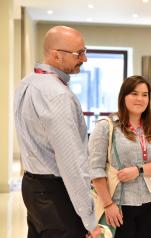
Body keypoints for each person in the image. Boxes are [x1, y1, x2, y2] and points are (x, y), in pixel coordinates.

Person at [14, 26, 101, 237]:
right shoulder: (58, 95)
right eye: (79, 53)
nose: (85, 58)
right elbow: (71, 163)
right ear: (56, 55)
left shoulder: (27, 83)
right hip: (56, 194)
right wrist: (90, 220)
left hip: (33, 187)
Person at [89, 75, 151, 238]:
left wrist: (139, 170)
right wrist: (108, 204)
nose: (140, 99)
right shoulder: (106, 126)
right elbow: (95, 169)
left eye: (144, 94)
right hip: (118, 206)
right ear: (123, 96)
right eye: (134, 93)